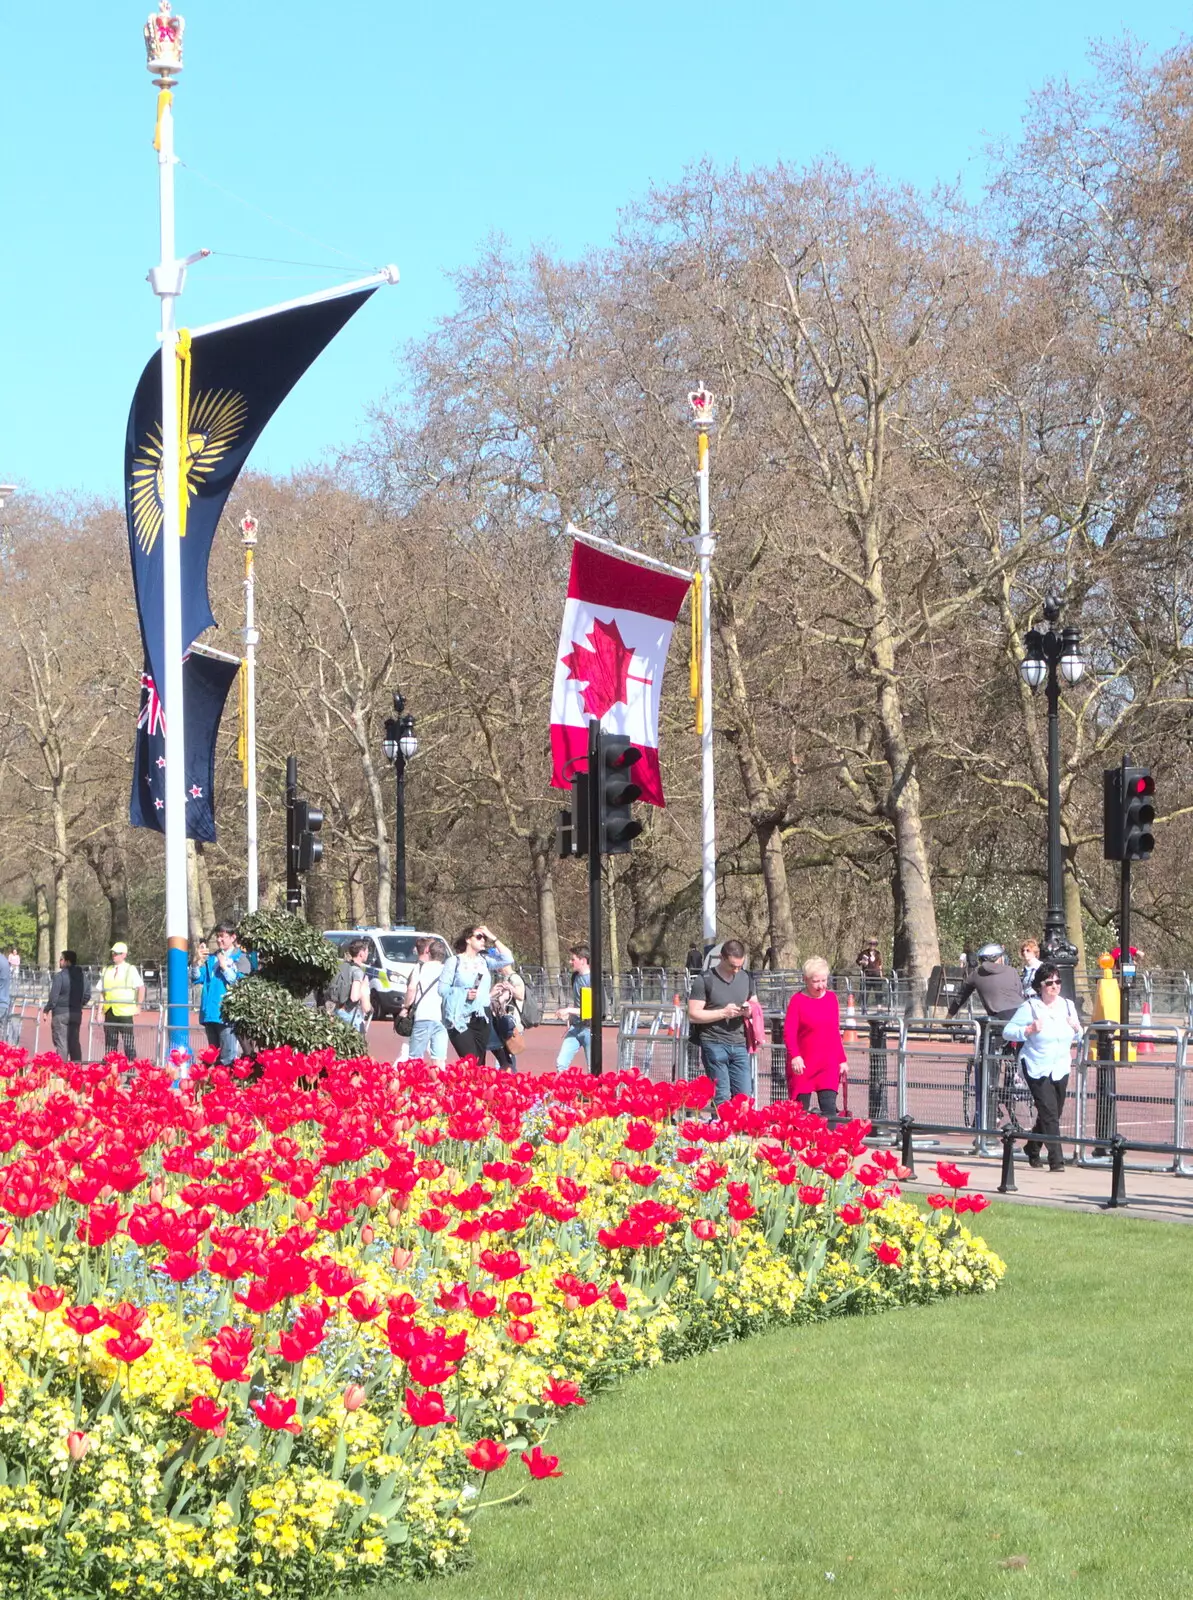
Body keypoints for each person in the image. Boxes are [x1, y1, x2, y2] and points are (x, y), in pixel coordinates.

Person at [1002, 963, 1081, 1172]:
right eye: (1049, 983)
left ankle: (1033, 1146)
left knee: (1053, 1111)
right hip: (1036, 1064)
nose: (1054, 986)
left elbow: (1079, 1034)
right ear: (1040, 986)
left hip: (1060, 1065)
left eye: (1057, 982)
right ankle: (1057, 1161)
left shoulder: (1067, 1005)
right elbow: (1008, 1031)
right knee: (1049, 1112)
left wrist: (1077, 1028)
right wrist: (1028, 1029)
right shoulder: (1030, 1007)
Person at [687, 938, 755, 1106]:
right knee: (722, 1096)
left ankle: (739, 1129)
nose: (736, 970)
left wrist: (749, 1010)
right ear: (722, 958)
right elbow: (693, 1014)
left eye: (740, 965)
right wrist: (723, 1012)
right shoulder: (705, 979)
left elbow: (755, 1004)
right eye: (732, 965)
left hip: (739, 1043)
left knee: (744, 1098)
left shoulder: (746, 977)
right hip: (714, 1042)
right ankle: (723, 1129)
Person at [783, 956, 848, 1123]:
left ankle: (829, 1146)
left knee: (829, 1109)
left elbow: (834, 1031)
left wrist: (842, 1059)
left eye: (824, 980)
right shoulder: (797, 1001)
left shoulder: (831, 999)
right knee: (799, 1111)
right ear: (805, 980)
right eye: (816, 981)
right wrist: (795, 1055)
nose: (821, 986)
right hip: (803, 1064)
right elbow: (789, 1032)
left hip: (827, 1063)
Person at [196, 922, 251, 1064]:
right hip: (210, 1013)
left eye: (222, 936)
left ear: (233, 937)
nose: (219, 940)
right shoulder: (212, 958)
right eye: (217, 936)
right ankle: (214, 1084)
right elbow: (197, 978)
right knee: (212, 1057)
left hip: (226, 1015)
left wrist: (225, 967)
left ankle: (227, 1083)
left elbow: (240, 983)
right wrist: (197, 961)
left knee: (227, 1057)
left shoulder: (241, 958)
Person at [440, 925, 493, 1062]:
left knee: (480, 1063)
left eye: (485, 938)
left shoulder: (485, 961)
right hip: (459, 1016)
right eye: (479, 937)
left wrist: (492, 937)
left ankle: (476, 1084)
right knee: (470, 1061)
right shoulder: (454, 962)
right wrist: (463, 994)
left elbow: (507, 959)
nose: (483, 940)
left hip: (482, 1016)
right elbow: (442, 990)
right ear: (468, 939)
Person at [403, 936, 448, 1067]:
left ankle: (414, 1084)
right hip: (441, 1017)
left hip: (423, 1015)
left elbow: (411, 989)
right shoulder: (446, 970)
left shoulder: (420, 968)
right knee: (439, 1058)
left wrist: (406, 1006)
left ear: (429, 951)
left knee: (415, 1057)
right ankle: (440, 1084)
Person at [44, 950, 90, 1063]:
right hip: (76, 1012)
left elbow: (53, 997)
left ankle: (62, 1072)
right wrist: (79, 1004)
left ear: (67, 962)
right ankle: (77, 1071)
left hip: (61, 1013)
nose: (59, 961)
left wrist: (47, 1009)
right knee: (74, 1042)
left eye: (61, 959)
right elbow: (87, 995)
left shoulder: (60, 976)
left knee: (61, 1043)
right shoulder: (82, 977)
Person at [100, 942, 145, 1056]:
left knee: (128, 1043)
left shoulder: (130, 969)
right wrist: (99, 1011)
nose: (114, 955)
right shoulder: (106, 970)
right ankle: (111, 1070)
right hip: (109, 1011)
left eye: (117, 953)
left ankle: (130, 1070)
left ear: (124, 955)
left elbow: (141, 988)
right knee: (110, 1044)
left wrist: (138, 1006)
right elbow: (102, 992)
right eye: (113, 953)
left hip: (125, 1013)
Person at [555, 944, 592, 1070]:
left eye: (573, 959)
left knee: (592, 1068)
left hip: (589, 1029)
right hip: (575, 1027)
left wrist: (568, 1010)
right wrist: (570, 1016)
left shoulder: (590, 980)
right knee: (561, 1063)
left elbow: (588, 1010)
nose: (570, 962)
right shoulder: (575, 977)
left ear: (583, 961)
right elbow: (580, 1004)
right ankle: (564, 1090)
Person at [327, 939, 373, 1037]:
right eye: (367, 951)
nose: (368, 954)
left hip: (337, 1012)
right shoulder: (359, 973)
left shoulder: (343, 967)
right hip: (352, 1016)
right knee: (358, 1046)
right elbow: (355, 997)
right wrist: (369, 1008)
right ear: (361, 953)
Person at [490, 963, 527, 1070]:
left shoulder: (515, 978)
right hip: (503, 1021)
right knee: (505, 1057)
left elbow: (520, 996)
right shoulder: (504, 978)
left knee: (508, 1055)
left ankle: (509, 1081)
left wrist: (509, 990)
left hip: (512, 1022)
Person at [856, 938, 884, 1011]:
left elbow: (880, 964)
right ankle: (864, 1007)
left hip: (876, 975)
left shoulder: (878, 953)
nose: (872, 945)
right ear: (869, 944)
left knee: (878, 992)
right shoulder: (864, 953)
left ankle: (879, 1008)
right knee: (865, 992)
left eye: (874, 944)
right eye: (871, 943)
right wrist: (862, 962)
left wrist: (881, 975)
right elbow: (858, 961)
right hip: (867, 975)